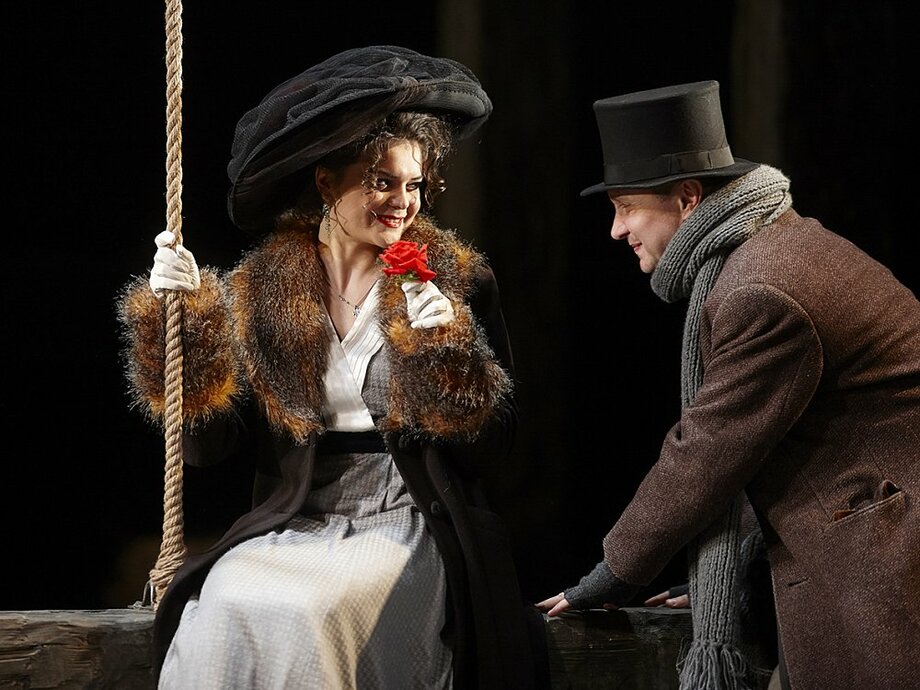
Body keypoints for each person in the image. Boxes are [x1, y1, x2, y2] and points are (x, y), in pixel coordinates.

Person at [117, 45, 547, 689]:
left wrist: (447, 353)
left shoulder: (453, 281)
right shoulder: (262, 291)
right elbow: (207, 449)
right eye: (382, 182)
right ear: (326, 183)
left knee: (307, 614)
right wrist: (181, 324)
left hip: (409, 517)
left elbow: (497, 454)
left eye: (414, 185)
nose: (403, 202)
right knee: (223, 606)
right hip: (297, 517)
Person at [536, 80, 919, 690]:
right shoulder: (770, 248)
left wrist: (612, 573)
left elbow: (708, 451)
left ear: (688, 198)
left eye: (627, 207)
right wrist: (727, 574)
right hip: (865, 534)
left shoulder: (760, 288)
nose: (615, 229)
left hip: (886, 551)